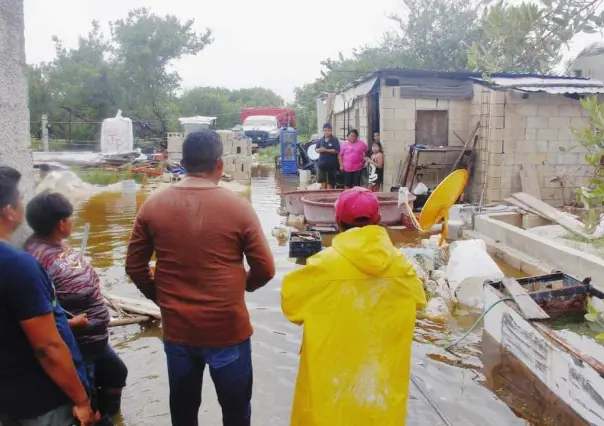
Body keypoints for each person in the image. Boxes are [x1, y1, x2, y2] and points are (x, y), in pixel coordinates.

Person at [125, 129, 276, 426]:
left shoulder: (153, 206)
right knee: (236, 413)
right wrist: (240, 286)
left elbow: (134, 266)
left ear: (182, 162)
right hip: (227, 330)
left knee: (183, 412)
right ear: (220, 164)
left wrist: (160, 297)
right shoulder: (239, 208)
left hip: (178, 330)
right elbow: (266, 269)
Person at [281, 187, 426, 426]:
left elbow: (291, 307)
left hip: (331, 396)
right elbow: (419, 300)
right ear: (378, 221)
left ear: (337, 221)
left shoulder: (320, 267)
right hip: (379, 399)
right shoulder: (403, 268)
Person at [0, 166, 97, 426]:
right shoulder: (18, 265)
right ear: (9, 211)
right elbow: (47, 347)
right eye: (19, 198)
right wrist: (81, 400)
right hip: (39, 398)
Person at [24, 191, 128, 425]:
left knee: (116, 373)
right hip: (78, 348)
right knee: (88, 408)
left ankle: (113, 416)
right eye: (70, 218)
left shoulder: (57, 244)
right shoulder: (35, 259)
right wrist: (72, 324)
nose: (72, 221)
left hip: (96, 342)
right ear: (61, 223)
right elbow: (36, 314)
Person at [315, 123, 340, 189]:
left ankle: (328, 198)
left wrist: (325, 150)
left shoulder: (334, 139)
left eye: (329, 130)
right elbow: (316, 149)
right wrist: (319, 150)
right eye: (325, 130)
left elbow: (336, 150)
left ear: (331, 131)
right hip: (321, 165)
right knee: (323, 182)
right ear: (323, 131)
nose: (327, 132)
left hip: (331, 166)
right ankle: (322, 197)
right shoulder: (320, 140)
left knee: (330, 183)